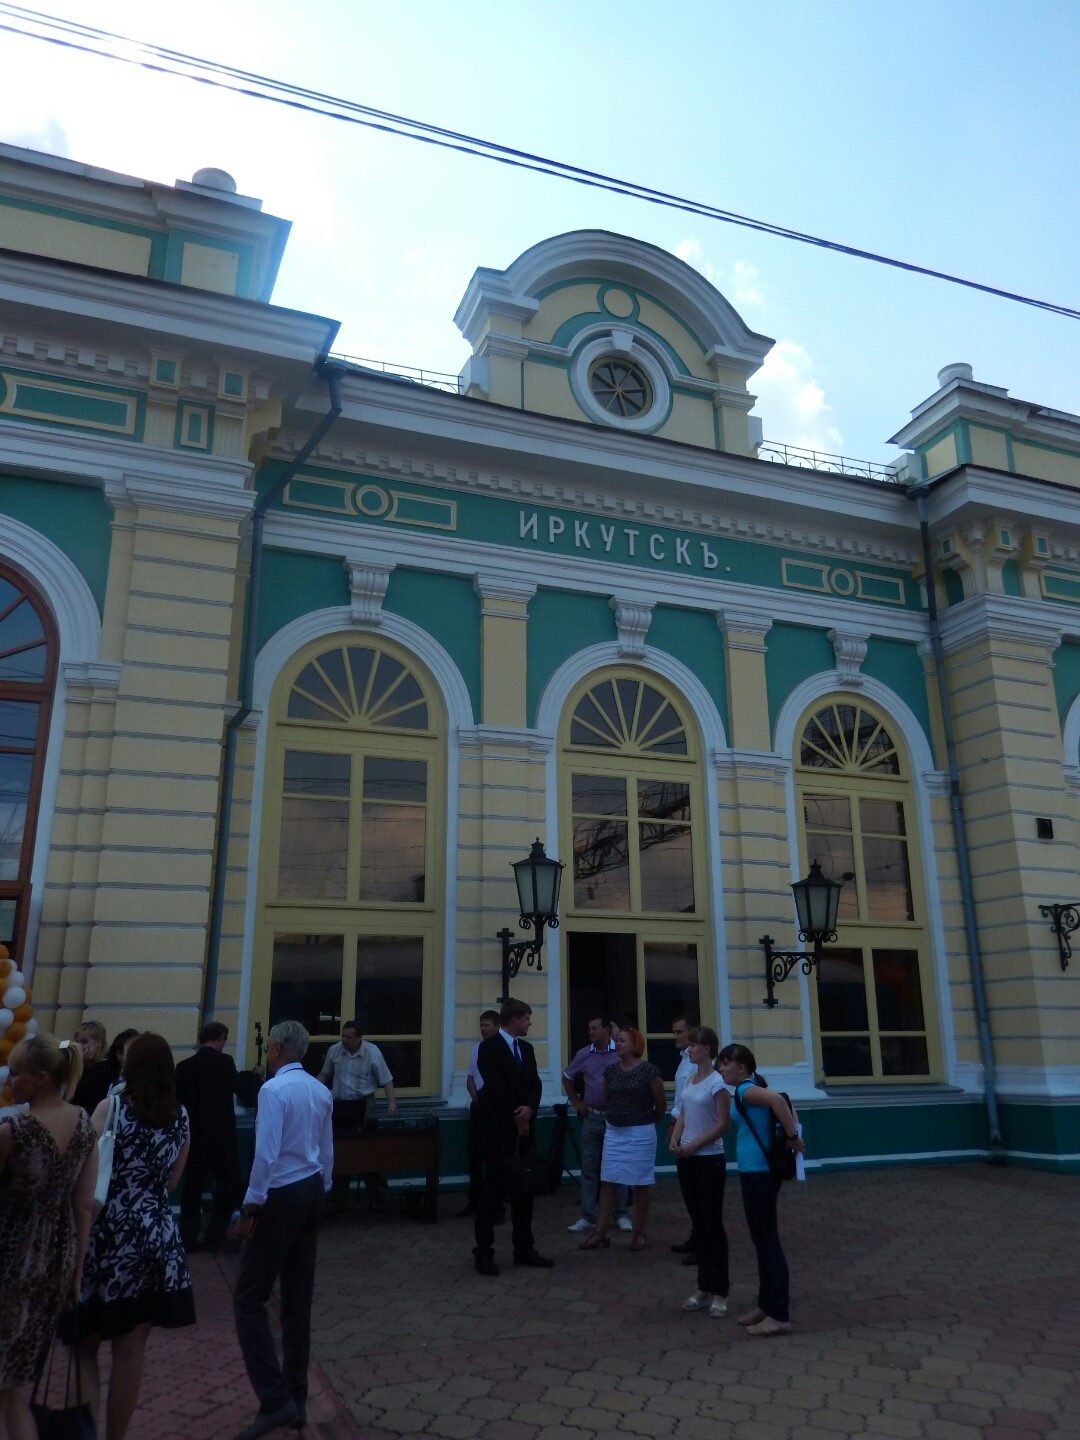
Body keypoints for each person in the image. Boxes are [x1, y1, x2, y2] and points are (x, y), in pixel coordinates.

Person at [65, 1032, 195, 1440]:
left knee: (84, 1344)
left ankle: (84, 1432)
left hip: (108, 1234)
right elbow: (172, 1181)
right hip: (156, 1234)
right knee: (131, 1350)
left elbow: (83, 1172)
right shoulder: (181, 1116)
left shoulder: (113, 1107)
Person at [233, 1020, 334, 1440]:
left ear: (275, 1049)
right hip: (311, 1190)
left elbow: (266, 1152)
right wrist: (322, 1188)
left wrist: (252, 1204)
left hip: (281, 1193)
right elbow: (327, 1149)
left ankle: (275, 1400)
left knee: (248, 1299)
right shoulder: (320, 1090)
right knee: (297, 1298)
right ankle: (295, 1392)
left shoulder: (273, 1091)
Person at [0, 1035, 97, 1440]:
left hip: (11, 1258)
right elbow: (83, 1207)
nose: (10, 1078)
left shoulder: (13, 1130)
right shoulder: (85, 1125)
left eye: (17, 1072)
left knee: (9, 1391)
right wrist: (76, 1273)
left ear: (40, 1078)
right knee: (16, 1389)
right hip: (55, 1262)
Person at [717, 1043, 804, 1337]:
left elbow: (780, 1102)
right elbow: (784, 1103)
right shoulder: (748, 1089)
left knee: (767, 1241)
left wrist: (792, 1137)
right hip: (756, 1172)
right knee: (762, 1239)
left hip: (759, 1173)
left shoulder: (744, 1090)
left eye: (725, 1064)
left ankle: (779, 1314)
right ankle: (766, 1305)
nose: (721, 1069)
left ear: (740, 1067)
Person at [472, 997, 553, 1277]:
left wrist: (530, 1109)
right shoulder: (489, 1048)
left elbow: (535, 1083)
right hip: (499, 1130)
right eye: (527, 1017)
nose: (529, 1022)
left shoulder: (526, 1049)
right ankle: (483, 1251)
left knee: (524, 1188)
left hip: (524, 1129)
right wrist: (515, 1112)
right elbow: (492, 1085)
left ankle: (524, 1247)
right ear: (515, 1019)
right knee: (492, 1191)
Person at [579, 1027, 666, 1253]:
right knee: (608, 1179)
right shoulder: (611, 1071)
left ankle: (639, 1232)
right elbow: (608, 1098)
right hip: (615, 1132)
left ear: (635, 1044)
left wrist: (645, 1121)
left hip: (640, 1132)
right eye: (617, 1041)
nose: (617, 1044)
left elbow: (660, 1105)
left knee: (640, 1183)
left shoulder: (649, 1071)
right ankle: (600, 1231)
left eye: (623, 1041)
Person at [669, 1026, 731, 1317]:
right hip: (688, 1158)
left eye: (693, 1045)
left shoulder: (717, 1082)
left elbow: (722, 1124)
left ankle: (720, 1291)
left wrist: (694, 1145)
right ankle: (703, 1287)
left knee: (712, 1224)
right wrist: (675, 1138)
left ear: (707, 1049)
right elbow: (682, 1112)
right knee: (699, 1222)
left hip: (709, 1159)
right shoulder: (691, 1078)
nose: (689, 1049)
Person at [176, 1020, 243, 1252]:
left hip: (194, 1137)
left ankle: (188, 1236)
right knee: (226, 1185)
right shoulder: (224, 1062)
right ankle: (215, 1234)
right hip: (221, 1137)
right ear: (221, 1037)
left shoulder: (184, 1067)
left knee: (192, 1187)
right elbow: (240, 1089)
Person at [562, 1014, 631, 1234]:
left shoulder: (619, 1052)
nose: (591, 1032)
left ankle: (621, 1214)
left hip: (616, 1119)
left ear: (606, 1030)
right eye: (589, 1028)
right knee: (590, 1168)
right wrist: (576, 1102)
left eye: (594, 1028)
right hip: (592, 1117)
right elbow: (567, 1076)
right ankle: (588, 1216)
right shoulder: (584, 1054)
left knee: (618, 1167)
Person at [318, 1019, 396, 1210]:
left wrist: (391, 1104)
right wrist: (311, 1091)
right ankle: (337, 1200)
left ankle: (381, 1198)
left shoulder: (372, 1052)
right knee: (340, 1151)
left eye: (349, 1037)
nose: (344, 1040)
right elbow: (325, 1075)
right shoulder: (334, 1051)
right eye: (343, 1036)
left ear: (359, 1038)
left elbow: (386, 1080)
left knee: (369, 1152)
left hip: (365, 1105)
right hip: (340, 1105)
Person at [457, 1009, 500, 1218]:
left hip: (496, 1109)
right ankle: (474, 1201)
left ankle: (496, 1205)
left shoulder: (503, 1049)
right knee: (473, 1156)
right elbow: (470, 1078)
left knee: (495, 1159)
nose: (483, 1029)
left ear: (497, 1026)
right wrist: (477, 1098)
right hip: (479, 1107)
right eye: (481, 1026)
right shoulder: (476, 1048)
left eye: (487, 1025)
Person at [668, 1014, 699, 1263]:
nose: (675, 1036)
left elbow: (692, 1100)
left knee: (697, 1189)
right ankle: (696, 1236)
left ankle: (703, 1244)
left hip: (693, 1129)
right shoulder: (683, 1061)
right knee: (688, 1188)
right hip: (681, 1126)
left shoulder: (695, 1063)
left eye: (679, 1032)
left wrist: (677, 1124)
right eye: (674, 1031)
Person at [71, 1020, 110, 1112]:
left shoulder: (104, 1069)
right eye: (77, 1042)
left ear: (98, 1044)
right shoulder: (78, 1066)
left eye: (84, 1042)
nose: (78, 1046)